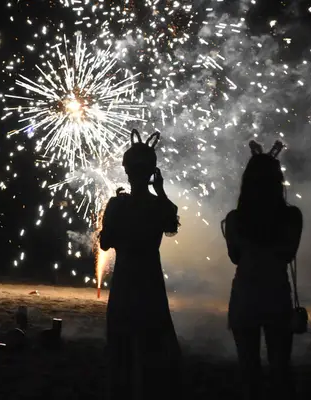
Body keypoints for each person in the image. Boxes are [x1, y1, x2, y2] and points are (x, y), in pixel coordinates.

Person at [100, 129, 181, 400]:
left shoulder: (117, 205)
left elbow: (104, 243)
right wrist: (160, 190)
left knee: (120, 352)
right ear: (152, 172)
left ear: (127, 171)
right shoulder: (160, 207)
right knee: (153, 351)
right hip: (150, 281)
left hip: (125, 280)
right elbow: (171, 225)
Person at [222, 140, 303, 400]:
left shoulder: (235, 219)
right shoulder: (292, 217)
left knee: (249, 372)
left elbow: (235, 257)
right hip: (276, 294)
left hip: (245, 294)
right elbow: (288, 254)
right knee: (280, 370)